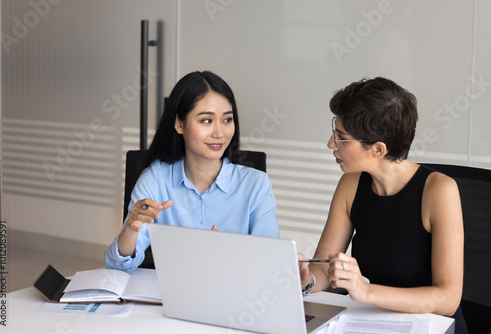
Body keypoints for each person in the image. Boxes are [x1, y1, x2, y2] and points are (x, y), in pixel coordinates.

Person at [299, 77, 467, 333]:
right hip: (374, 322)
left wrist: (366, 291)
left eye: (341, 138)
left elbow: (447, 299)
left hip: (431, 326)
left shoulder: (439, 190)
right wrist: (307, 279)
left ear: (378, 149)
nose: (331, 144)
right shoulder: (350, 184)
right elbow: (322, 268)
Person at [105, 71, 280, 273]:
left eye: (227, 120)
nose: (219, 133)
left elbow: (270, 263)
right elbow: (117, 267)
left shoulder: (256, 184)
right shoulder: (155, 178)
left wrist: (229, 255)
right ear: (179, 124)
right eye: (206, 120)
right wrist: (131, 228)